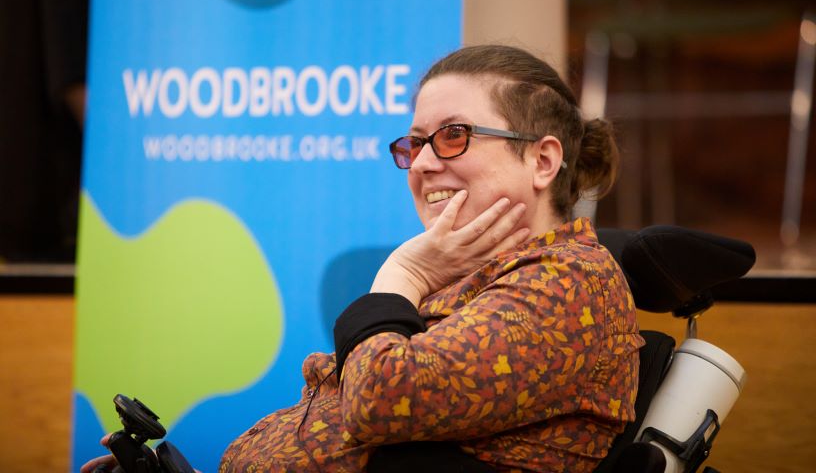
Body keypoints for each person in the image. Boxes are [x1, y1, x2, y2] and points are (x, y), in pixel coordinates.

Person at [82, 45, 643, 473]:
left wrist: (404, 275)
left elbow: (381, 398)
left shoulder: (571, 284)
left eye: (453, 136)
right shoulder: (475, 281)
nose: (421, 164)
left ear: (542, 161)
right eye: (415, 142)